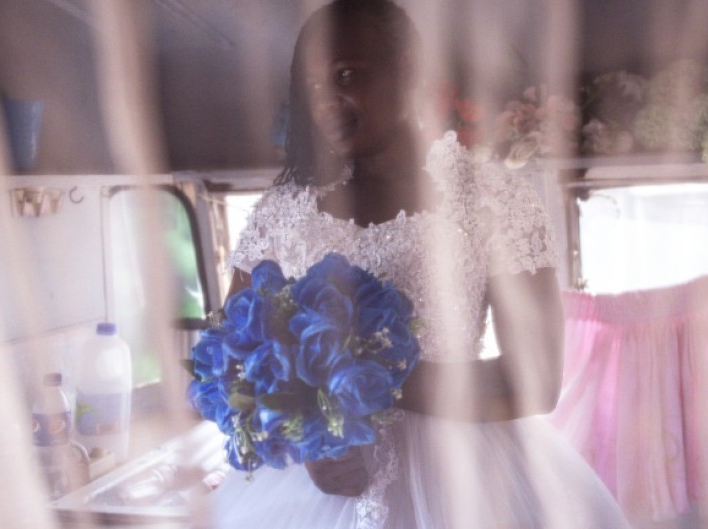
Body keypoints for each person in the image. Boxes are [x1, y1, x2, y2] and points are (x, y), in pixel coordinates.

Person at [211, 1, 629, 527]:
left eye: (346, 75)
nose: (328, 102)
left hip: (467, 484)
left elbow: (537, 381)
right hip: (309, 492)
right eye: (312, 87)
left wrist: (361, 382)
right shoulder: (282, 212)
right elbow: (230, 363)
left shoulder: (495, 201)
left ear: (408, 65)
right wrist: (301, 438)